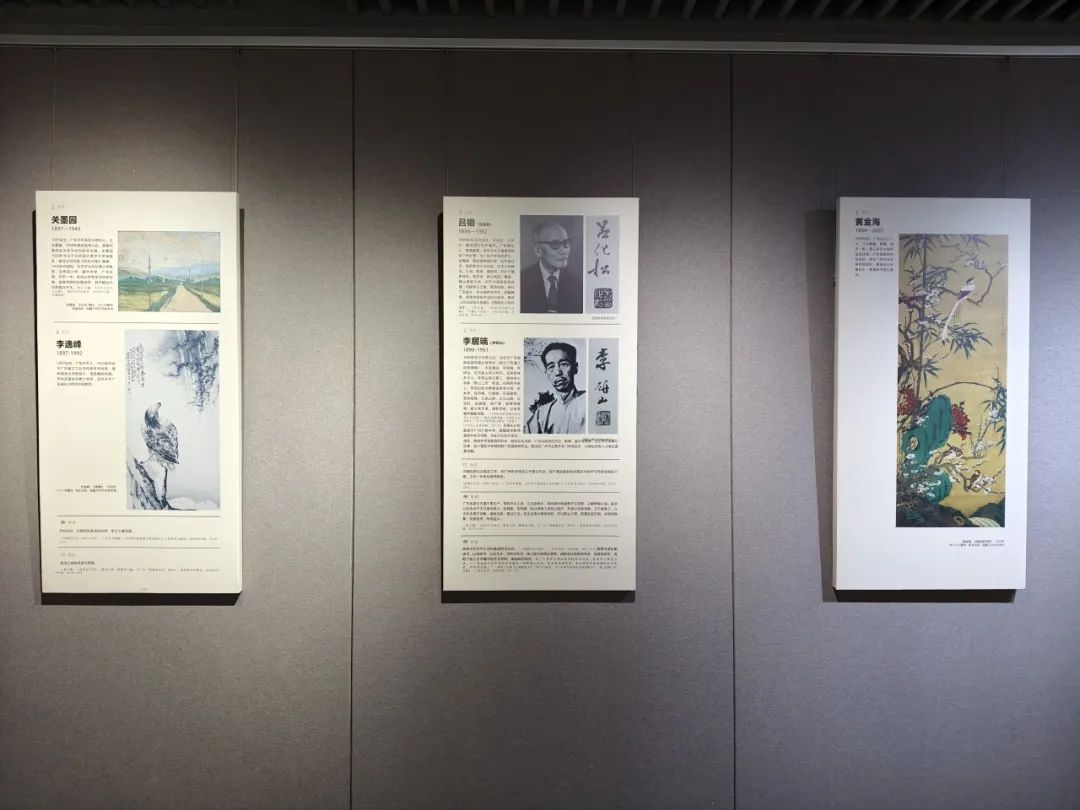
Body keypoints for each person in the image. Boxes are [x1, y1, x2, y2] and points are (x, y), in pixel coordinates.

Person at [520, 220, 583, 314]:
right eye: (555, 244)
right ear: (538, 250)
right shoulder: (522, 280)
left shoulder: (578, 283)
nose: (564, 251)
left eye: (566, 243)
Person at [524, 342, 586, 434]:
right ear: (546, 374)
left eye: (563, 364)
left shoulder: (587, 401)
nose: (557, 372)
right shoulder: (541, 413)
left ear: (575, 368)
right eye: (551, 367)